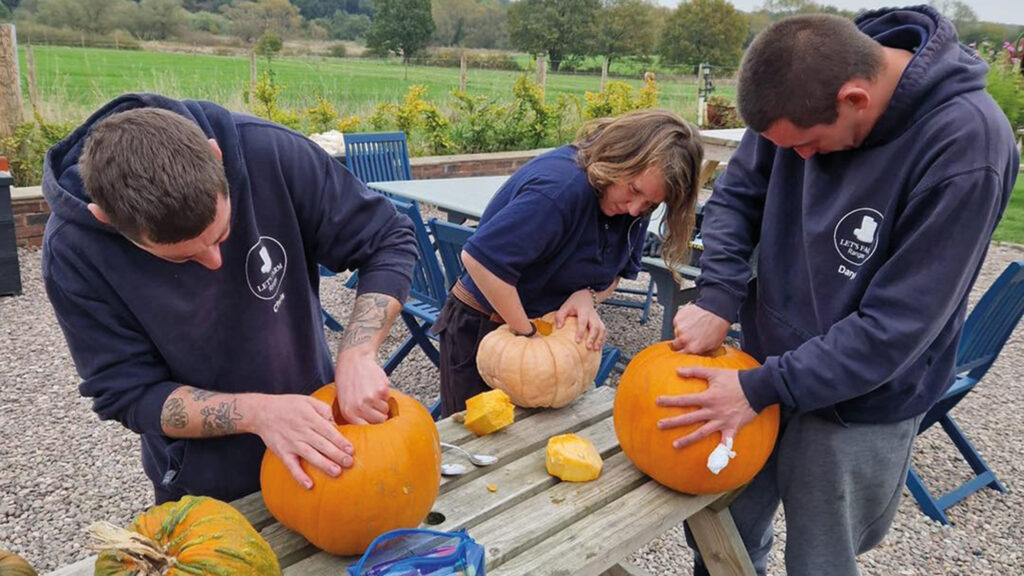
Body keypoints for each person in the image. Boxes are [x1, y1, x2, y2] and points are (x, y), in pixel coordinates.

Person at [662, 8, 1019, 576]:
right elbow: (736, 197)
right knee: (721, 532)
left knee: (821, 560)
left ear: (855, 99)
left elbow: (893, 329)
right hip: (759, 364)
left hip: (860, 398)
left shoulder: (968, 148)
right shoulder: (798, 85)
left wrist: (761, 388)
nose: (798, 160)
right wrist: (717, 294)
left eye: (806, 146)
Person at [41, 94, 418, 504]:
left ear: (215, 155)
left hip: (325, 450)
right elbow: (127, 392)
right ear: (106, 219)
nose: (216, 261)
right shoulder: (73, 250)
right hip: (205, 485)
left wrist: (358, 353)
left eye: (222, 235)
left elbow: (387, 238)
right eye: (184, 258)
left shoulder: (269, 152)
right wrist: (259, 413)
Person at [434, 109, 704, 416]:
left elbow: (617, 273)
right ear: (621, 157)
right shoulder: (558, 191)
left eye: (651, 205)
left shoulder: (634, 207)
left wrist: (587, 296)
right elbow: (481, 260)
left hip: (545, 333)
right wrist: (526, 336)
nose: (634, 209)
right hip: (485, 328)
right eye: (634, 191)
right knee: (479, 446)